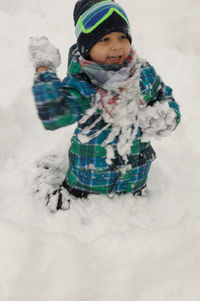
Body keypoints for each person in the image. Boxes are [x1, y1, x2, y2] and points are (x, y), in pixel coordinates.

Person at [28, 0, 181, 212]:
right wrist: (44, 70)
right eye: (105, 40)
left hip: (135, 183)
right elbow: (55, 114)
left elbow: (165, 98)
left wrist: (166, 116)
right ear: (86, 48)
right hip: (85, 187)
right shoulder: (83, 85)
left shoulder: (143, 74)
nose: (117, 46)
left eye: (122, 37)